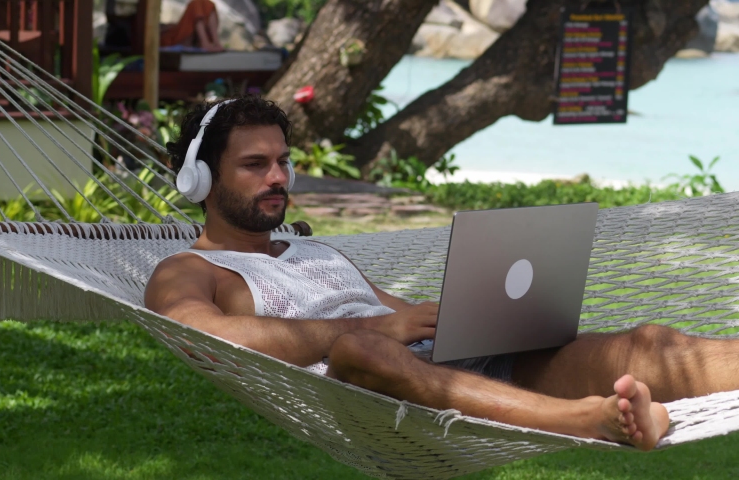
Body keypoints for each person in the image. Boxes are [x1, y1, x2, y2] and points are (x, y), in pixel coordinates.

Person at [143, 95, 739, 451]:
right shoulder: (190, 269)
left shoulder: (316, 253)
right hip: (363, 389)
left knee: (649, 344)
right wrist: (381, 327)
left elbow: (404, 320)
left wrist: (474, 320)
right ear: (201, 181)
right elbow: (206, 335)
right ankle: (590, 419)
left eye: (283, 161)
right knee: (361, 348)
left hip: (460, 373)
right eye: (255, 165)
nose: (279, 178)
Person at [160, 0, 224, 52]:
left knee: (206, 4)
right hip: (171, 38)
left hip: (180, 32)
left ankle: (216, 42)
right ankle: (205, 43)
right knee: (196, 3)